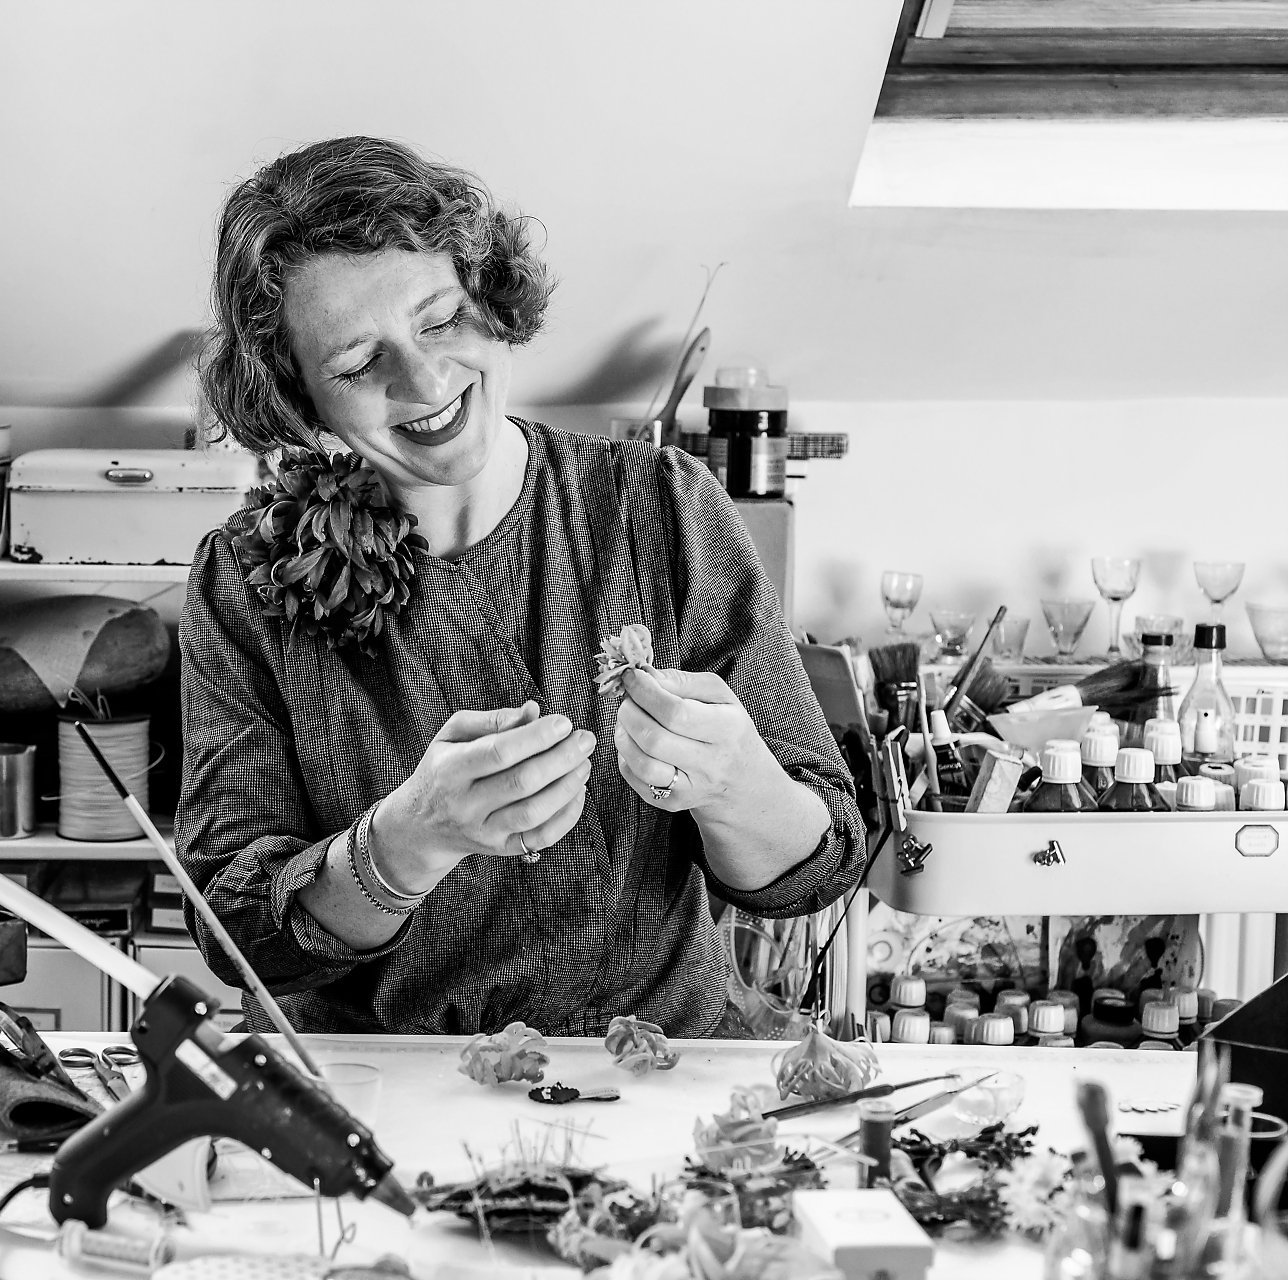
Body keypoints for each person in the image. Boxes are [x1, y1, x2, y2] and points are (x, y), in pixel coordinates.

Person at [177, 135, 866, 1037]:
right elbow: (237, 932)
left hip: (647, 1071)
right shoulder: (249, 579)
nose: (423, 381)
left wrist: (734, 782)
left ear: (489, 297)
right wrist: (406, 841)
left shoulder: (659, 509)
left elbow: (818, 869)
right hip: (384, 1094)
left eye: (439, 319)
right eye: (355, 364)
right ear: (298, 396)